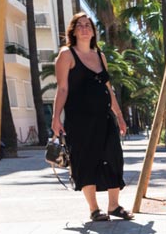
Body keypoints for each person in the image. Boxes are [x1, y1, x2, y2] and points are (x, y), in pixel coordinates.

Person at [51, 13, 133, 222]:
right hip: (79, 121)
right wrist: (55, 118)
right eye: (80, 25)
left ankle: (114, 206)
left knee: (114, 157)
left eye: (88, 25)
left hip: (105, 118)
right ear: (74, 31)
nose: (85, 28)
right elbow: (62, 89)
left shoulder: (100, 55)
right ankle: (94, 209)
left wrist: (120, 116)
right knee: (85, 160)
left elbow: (108, 89)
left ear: (94, 31)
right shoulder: (67, 55)